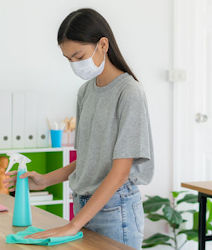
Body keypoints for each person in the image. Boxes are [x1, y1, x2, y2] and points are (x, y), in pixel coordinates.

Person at [3, 8, 154, 249]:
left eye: (78, 56)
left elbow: (120, 172)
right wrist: (44, 180)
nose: (74, 64)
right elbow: (88, 158)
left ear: (103, 45)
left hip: (115, 210)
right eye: (68, 59)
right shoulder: (86, 92)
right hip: (84, 204)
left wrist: (72, 225)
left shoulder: (129, 92)